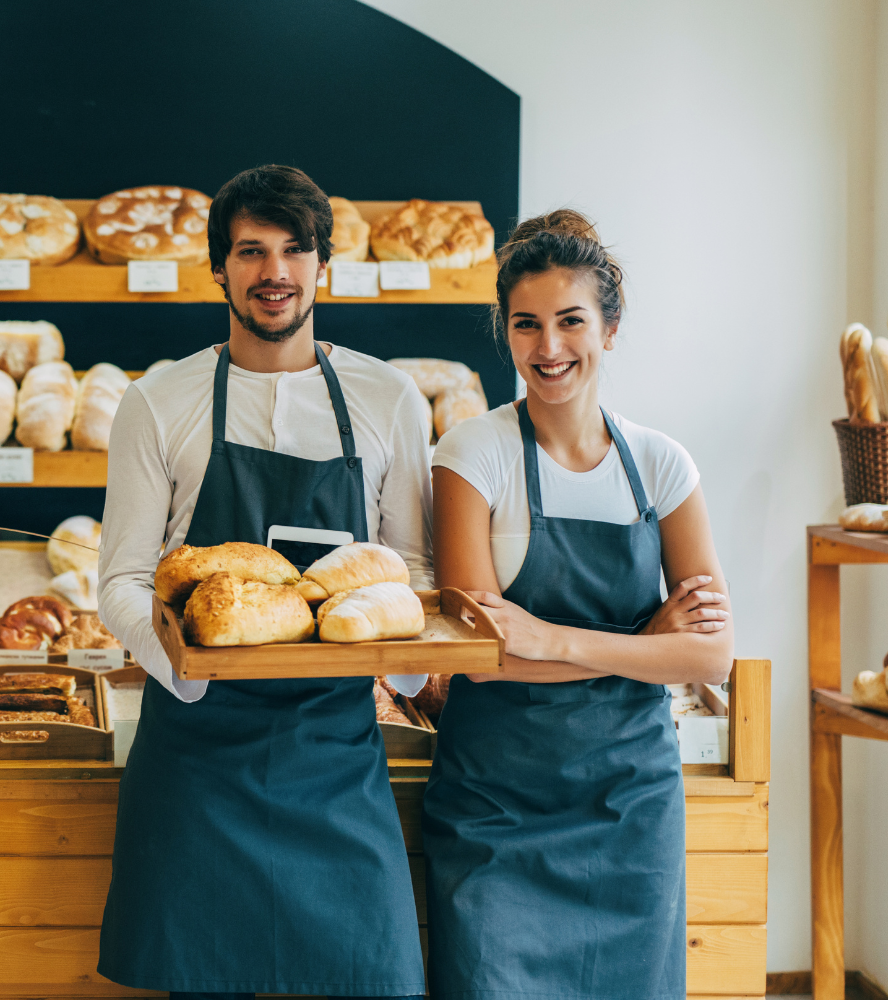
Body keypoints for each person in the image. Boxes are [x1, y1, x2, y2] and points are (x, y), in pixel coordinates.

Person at [94, 164, 432, 1000]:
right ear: (218, 268)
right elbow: (123, 581)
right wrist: (194, 669)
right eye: (250, 251)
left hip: (337, 755)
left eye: (294, 249)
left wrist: (402, 668)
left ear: (323, 265)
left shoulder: (390, 399)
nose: (273, 271)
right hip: (196, 762)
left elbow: (412, 573)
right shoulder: (157, 401)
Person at [422, 209, 733, 1000]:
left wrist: (550, 640)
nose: (548, 346)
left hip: (630, 809)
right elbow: (480, 661)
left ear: (611, 329)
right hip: (495, 806)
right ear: (505, 332)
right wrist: (644, 643)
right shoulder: (471, 455)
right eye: (526, 324)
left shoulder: (662, 466)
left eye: (571, 321)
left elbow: (710, 654)